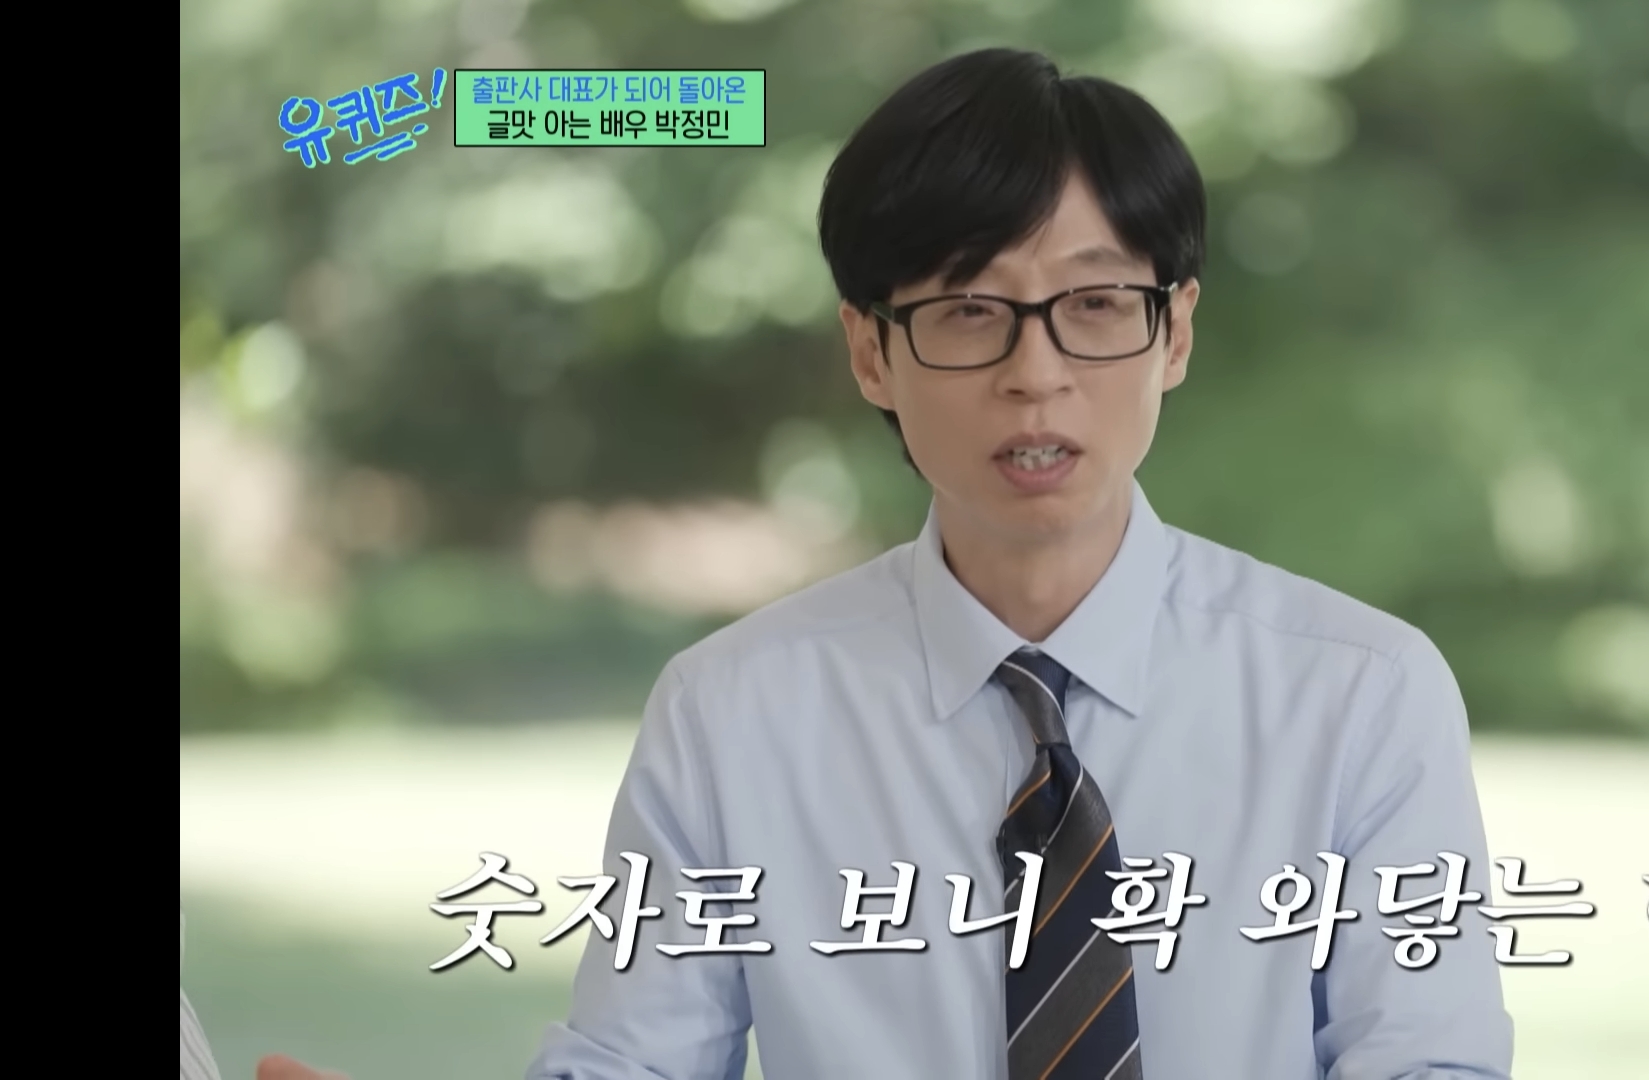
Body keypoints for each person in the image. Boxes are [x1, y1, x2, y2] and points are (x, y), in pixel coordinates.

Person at [526, 47, 1514, 1080]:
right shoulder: (731, 714)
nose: (1034, 375)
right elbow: (632, 1059)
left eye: (1095, 305)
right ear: (871, 353)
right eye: (968, 311)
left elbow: (1427, 1062)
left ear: (1174, 332)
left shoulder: (1361, 694)